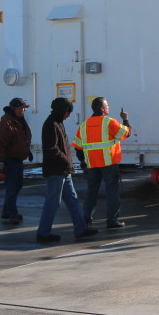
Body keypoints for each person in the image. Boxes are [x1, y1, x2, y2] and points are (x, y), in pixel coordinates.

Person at [36, 97, 99, 242]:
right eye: (68, 112)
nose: (69, 115)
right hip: (57, 170)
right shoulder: (51, 124)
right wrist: (66, 161)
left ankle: (80, 228)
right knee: (53, 201)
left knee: (72, 199)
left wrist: (67, 164)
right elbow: (52, 149)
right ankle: (43, 233)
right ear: (62, 110)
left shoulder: (57, 122)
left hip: (63, 170)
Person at [74, 97, 131, 229]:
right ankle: (112, 220)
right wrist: (125, 119)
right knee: (112, 192)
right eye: (107, 106)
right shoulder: (109, 122)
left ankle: (86, 220)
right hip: (109, 163)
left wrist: (83, 162)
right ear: (102, 109)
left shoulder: (84, 125)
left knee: (91, 192)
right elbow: (126, 133)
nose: (108, 108)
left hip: (92, 164)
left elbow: (78, 147)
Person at [0, 97, 32, 224]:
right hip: (10, 160)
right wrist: (1, 161)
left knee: (16, 185)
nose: (24, 110)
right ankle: (12, 213)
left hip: (17, 159)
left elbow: (22, 138)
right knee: (12, 187)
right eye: (22, 108)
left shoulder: (18, 120)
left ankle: (6, 210)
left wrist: (27, 151)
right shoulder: (7, 123)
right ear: (15, 108)